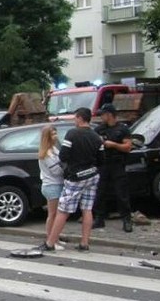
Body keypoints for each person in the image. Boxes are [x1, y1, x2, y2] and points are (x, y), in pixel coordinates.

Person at [20, 108, 103, 256]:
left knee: (63, 210)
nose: (74, 121)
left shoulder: (72, 134)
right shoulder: (97, 137)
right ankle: (84, 243)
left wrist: (72, 163)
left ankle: (50, 243)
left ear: (79, 118)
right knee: (87, 209)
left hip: (76, 176)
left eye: (75, 118)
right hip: (92, 175)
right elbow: (101, 160)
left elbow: (64, 156)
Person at [93, 103, 134, 232]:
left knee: (121, 193)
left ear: (109, 115)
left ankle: (127, 220)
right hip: (103, 164)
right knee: (100, 192)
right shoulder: (99, 129)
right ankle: (99, 219)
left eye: (103, 114)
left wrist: (113, 145)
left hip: (117, 164)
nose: (101, 117)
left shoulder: (122, 129)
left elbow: (128, 147)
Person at [38, 125, 64, 238]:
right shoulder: (47, 153)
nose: (55, 136)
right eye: (53, 134)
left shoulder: (54, 149)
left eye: (55, 133)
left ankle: (55, 238)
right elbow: (56, 171)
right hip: (52, 185)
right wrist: (65, 168)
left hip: (55, 184)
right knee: (52, 214)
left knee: (56, 214)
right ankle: (51, 238)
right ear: (47, 137)